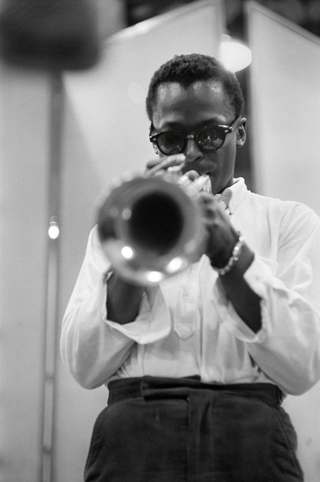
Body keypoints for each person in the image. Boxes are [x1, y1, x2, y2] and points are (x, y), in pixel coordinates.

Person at [60, 53, 320, 482]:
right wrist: (138, 248)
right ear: (155, 141)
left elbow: (301, 368)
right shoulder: (121, 228)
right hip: (134, 437)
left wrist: (230, 253)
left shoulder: (289, 222)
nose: (193, 153)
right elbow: (84, 366)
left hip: (250, 434)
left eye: (210, 135)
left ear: (240, 131)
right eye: (172, 139)